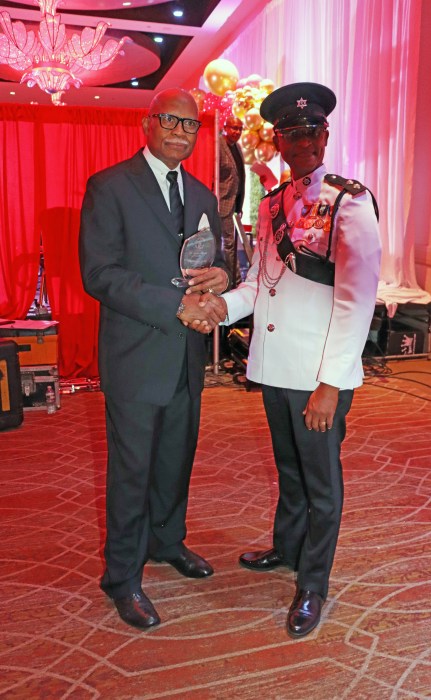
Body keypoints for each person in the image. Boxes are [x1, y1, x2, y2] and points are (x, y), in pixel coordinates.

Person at [202, 82, 381, 638]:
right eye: (289, 133)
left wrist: (330, 383)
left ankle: (313, 581)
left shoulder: (348, 200)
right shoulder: (275, 203)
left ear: (324, 135)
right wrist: (219, 306)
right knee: (290, 469)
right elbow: (260, 285)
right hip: (275, 366)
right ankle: (285, 547)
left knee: (321, 481)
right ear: (277, 140)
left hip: (316, 373)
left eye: (309, 132)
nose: (300, 141)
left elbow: (357, 297)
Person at [79, 88, 228, 630]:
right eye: (170, 120)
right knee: (132, 470)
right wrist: (176, 304)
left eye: (189, 125)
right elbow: (100, 274)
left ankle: (168, 542)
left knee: (175, 460)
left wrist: (221, 279)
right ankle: (122, 575)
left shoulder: (204, 196)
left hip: (186, 357)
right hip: (136, 355)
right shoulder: (110, 186)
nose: (180, 131)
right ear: (147, 124)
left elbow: (217, 261)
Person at [218, 115, 246, 288]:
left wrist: (239, 204)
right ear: (225, 127)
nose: (236, 132)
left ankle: (233, 280)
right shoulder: (218, 146)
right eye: (234, 128)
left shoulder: (238, 147)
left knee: (230, 244)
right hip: (221, 203)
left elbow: (240, 176)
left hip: (233, 203)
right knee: (228, 244)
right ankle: (235, 281)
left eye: (240, 129)